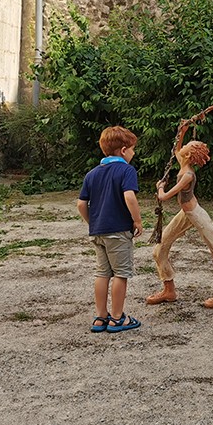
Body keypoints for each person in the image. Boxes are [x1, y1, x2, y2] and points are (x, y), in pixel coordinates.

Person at [149, 140, 213, 309]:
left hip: (196, 214)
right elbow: (176, 147)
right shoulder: (183, 163)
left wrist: (160, 187)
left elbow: (164, 196)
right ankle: (169, 290)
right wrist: (184, 128)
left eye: (187, 145)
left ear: (188, 155)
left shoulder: (188, 174)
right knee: (160, 249)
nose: (183, 147)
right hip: (185, 214)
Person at [77, 126, 144, 333]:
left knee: (102, 274)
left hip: (98, 232)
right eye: (132, 149)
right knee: (120, 274)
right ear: (123, 150)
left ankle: (100, 317)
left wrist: (93, 222)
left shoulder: (92, 173)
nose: (133, 153)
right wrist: (138, 220)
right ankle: (117, 318)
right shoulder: (126, 170)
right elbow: (129, 197)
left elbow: (81, 204)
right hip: (119, 231)